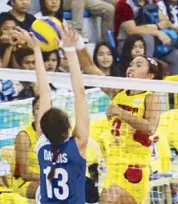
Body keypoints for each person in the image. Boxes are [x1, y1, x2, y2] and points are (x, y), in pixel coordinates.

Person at [76, 43, 164, 203]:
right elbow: (90, 68)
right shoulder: (118, 92)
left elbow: (150, 127)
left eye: (138, 65)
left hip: (134, 167)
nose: (131, 68)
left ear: (150, 76)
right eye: (131, 64)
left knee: (107, 200)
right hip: (113, 166)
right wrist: (77, 45)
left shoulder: (151, 97)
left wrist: (120, 113)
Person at [14, 26, 89, 203]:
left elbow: (45, 93)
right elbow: (80, 93)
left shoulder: (41, 145)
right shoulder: (78, 146)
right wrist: (70, 50)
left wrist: (37, 50)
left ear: (42, 128)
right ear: (69, 126)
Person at [13, 96, 40, 199]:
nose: (41, 111)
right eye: (37, 108)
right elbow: (24, 174)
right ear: (33, 112)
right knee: (46, 189)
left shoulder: (54, 134)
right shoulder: (24, 136)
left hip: (49, 179)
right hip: (27, 183)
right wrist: (46, 178)